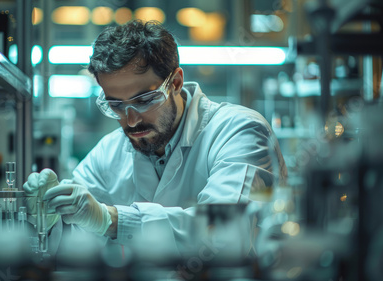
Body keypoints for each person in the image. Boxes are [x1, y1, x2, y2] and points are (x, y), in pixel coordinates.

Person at [24, 20, 287, 255]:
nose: (131, 120)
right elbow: (75, 245)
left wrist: (112, 220)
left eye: (145, 100)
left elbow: (225, 233)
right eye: (115, 105)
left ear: (175, 83)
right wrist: (50, 220)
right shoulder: (110, 151)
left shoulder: (240, 131)